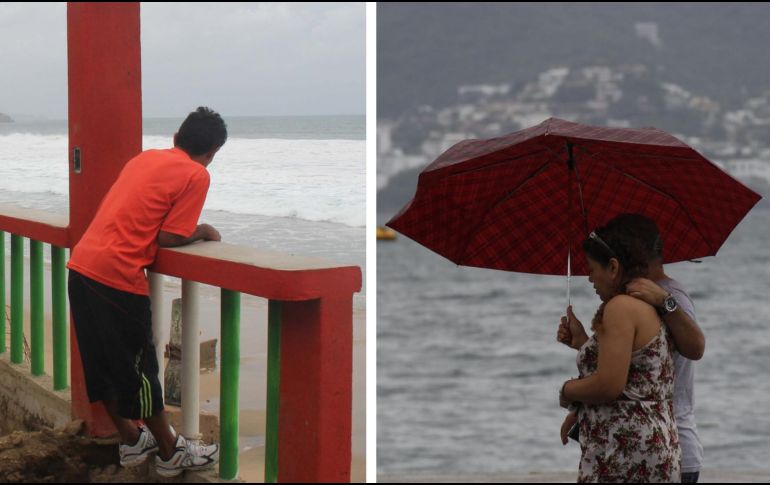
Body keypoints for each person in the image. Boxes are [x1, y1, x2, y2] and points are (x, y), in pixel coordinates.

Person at [67, 107, 226, 477]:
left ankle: (131, 439)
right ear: (213, 152)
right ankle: (171, 452)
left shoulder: (145, 159)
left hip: (82, 266)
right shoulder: (196, 174)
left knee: (101, 364)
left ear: (176, 138)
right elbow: (168, 236)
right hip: (117, 276)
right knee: (139, 370)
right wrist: (202, 231)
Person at [558, 214, 704, 483]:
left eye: (592, 269)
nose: (589, 278)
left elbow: (695, 348)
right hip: (655, 443)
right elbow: (637, 367)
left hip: (638, 450)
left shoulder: (660, 296)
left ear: (615, 265)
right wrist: (583, 344)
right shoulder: (637, 300)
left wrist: (566, 391)